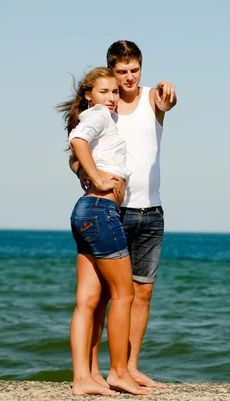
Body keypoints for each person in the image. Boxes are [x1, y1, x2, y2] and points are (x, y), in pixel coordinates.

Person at [70, 40, 177, 388]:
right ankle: (95, 372)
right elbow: (76, 150)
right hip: (114, 211)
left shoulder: (151, 98)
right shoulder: (105, 104)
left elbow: (167, 102)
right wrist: (83, 171)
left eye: (134, 71)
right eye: (121, 72)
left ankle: (129, 367)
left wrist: (168, 96)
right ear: (110, 73)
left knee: (141, 293)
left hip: (152, 209)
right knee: (104, 296)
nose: (128, 78)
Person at [58, 67, 148, 396]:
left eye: (114, 92)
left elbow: (77, 153)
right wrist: (97, 178)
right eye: (103, 92)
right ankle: (120, 373)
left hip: (85, 212)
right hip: (100, 211)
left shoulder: (102, 119)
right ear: (89, 95)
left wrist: (84, 170)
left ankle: (83, 378)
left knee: (88, 300)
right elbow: (77, 139)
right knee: (125, 295)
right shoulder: (97, 116)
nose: (110, 98)